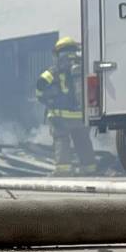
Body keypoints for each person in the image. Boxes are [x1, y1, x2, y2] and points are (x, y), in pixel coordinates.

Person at [36, 36, 96, 176]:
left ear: (58, 52)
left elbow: (41, 83)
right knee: (83, 140)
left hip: (60, 116)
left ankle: (63, 170)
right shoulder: (84, 65)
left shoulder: (56, 68)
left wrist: (44, 98)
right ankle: (90, 168)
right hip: (82, 115)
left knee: (61, 140)